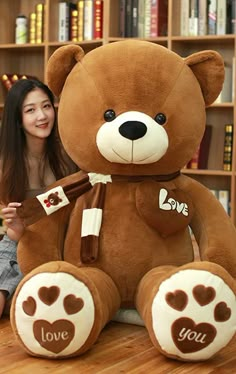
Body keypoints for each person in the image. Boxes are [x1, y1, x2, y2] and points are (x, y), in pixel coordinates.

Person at [0, 78, 77, 318]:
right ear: (18, 120)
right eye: (30, 110)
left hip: (63, 245)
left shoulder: (69, 155)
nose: (42, 116)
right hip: (20, 245)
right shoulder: (7, 166)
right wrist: (15, 226)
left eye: (46, 106)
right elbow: (12, 235)